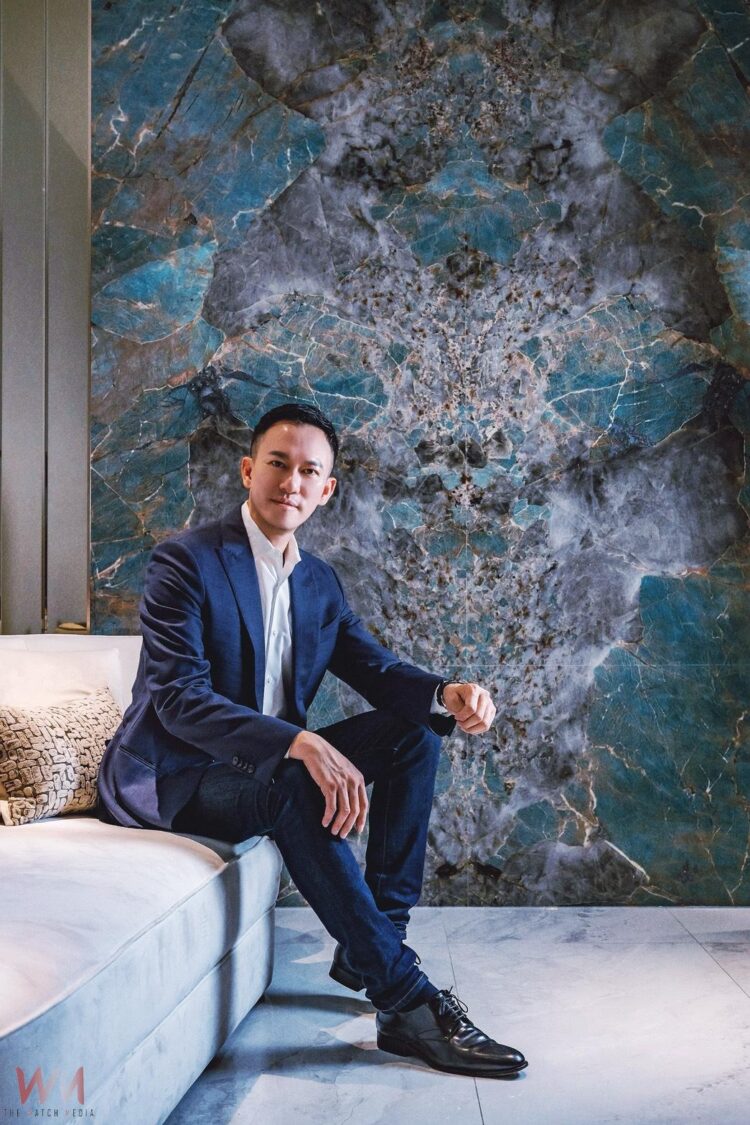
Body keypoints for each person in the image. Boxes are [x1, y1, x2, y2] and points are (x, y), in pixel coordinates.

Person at [97, 401, 528, 1079]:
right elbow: (177, 699)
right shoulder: (185, 562)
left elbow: (375, 669)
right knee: (294, 779)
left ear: (326, 490)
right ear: (249, 470)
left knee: (414, 733)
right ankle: (407, 1000)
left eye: (308, 472)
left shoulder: (319, 581)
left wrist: (445, 693)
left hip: (262, 767)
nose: (290, 482)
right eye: (278, 463)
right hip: (180, 772)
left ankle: (373, 943)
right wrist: (299, 741)